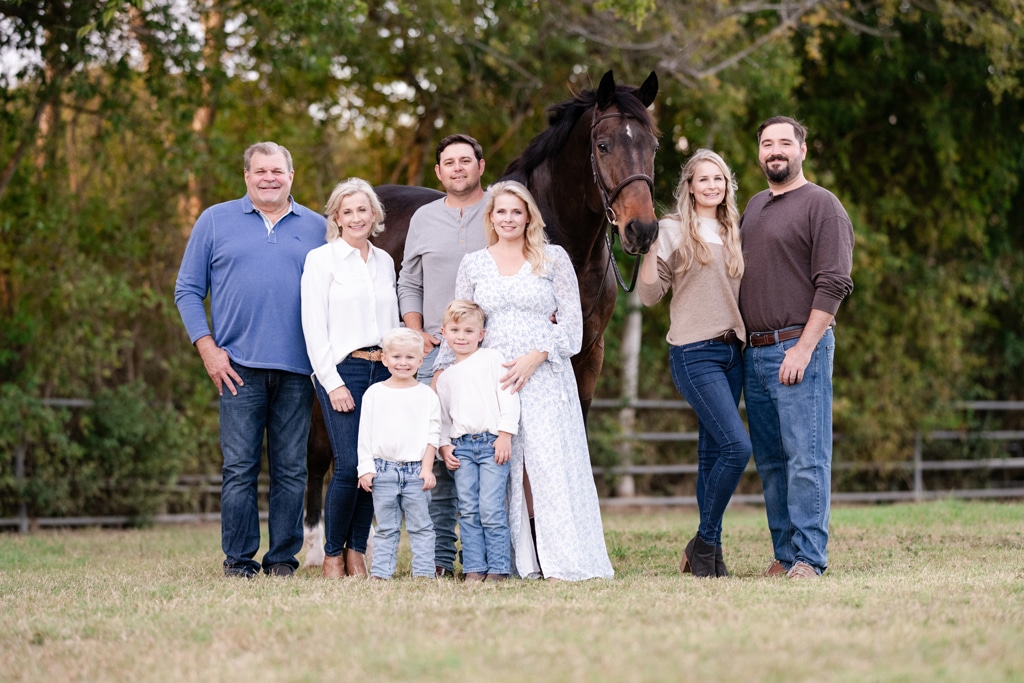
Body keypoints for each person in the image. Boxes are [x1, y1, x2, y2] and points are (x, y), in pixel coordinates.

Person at [437, 180, 614, 581]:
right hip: (494, 377)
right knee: (506, 465)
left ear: (529, 216)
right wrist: (444, 371)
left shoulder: (552, 259)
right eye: (501, 211)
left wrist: (536, 357)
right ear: (491, 217)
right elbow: (461, 317)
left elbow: (572, 324)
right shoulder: (475, 264)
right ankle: (516, 560)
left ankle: (559, 558)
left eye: (517, 211)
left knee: (546, 466)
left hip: (546, 373)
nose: (509, 218)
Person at [174, 141, 325, 578]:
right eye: (260, 171)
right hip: (236, 367)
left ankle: (282, 560)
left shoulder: (317, 227)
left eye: (277, 171)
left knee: (291, 469)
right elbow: (187, 290)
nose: (269, 178)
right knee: (239, 467)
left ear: (291, 176)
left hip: (299, 369)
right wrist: (207, 347)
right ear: (247, 176)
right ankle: (239, 559)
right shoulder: (215, 220)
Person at [739, 116, 854, 579]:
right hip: (755, 351)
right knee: (770, 462)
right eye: (767, 144)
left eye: (785, 142)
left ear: (803, 150)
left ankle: (809, 558)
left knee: (806, 457)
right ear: (759, 154)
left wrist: (804, 349)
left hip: (797, 347)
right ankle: (784, 554)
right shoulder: (753, 206)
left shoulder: (822, 205)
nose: (775, 151)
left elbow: (834, 283)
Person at [637, 149, 751, 578]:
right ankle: (703, 541)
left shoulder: (735, 229)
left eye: (718, 178)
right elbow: (649, 296)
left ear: (727, 186)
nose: (712, 186)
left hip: (733, 353)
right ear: (689, 186)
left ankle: (709, 555)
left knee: (711, 456)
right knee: (737, 448)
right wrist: (648, 251)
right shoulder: (670, 229)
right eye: (703, 179)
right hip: (693, 351)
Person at [398, 133, 489, 578]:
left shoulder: (500, 210)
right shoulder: (424, 218)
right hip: (436, 353)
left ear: (480, 166)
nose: (457, 168)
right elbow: (408, 280)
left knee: (486, 455)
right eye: (449, 162)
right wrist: (416, 333)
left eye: (465, 161)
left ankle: (490, 556)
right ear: (438, 172)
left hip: (488, 355)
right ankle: (438, 557)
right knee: (437, 456)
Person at [300, 178, 398, 579]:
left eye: (363, 209)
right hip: (344, 369)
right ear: (336, 218)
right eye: (348, 211)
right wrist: (331, 382)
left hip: (384, 371)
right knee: (345, 467)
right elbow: (313, 328)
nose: (356, 217)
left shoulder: (384, 261)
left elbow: (391, 324)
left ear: (374, 214)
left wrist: (398, 373)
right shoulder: (321, 261)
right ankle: (332, 555)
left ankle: (357, 551)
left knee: (372, 466)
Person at [436, 299, 521, 583]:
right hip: (461, 448)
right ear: (444, 332)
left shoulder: (492, 359)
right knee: (469, 509)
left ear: (481, 334)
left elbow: (508, 395)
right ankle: (474, 568)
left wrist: (506, 433)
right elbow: (444, 418)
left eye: (469, 331)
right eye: (455, 330)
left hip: (491, 444)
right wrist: (444, 445)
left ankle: (498, 569)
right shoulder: (445, 378)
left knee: (490, 507)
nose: (461, 337)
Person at [357, 327, 441, 580]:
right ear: (384, 359)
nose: (403, 363)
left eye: (409, 358)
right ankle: (381, 574)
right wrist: (366, 468)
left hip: (416, 471)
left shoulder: (427, 395)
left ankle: (424, 573)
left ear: (420, 360)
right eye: (396, 357)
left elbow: (432, 435)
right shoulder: (375, 393)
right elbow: (365, 434)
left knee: (422, 526)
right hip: (383, 471)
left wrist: (427, 468)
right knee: (386, 527)